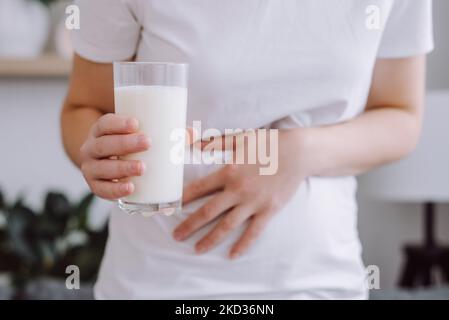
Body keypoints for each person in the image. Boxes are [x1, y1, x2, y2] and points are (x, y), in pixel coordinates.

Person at [61, 0, 434, 299]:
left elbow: (401, 116)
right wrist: (97, 154)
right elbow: (83, 108)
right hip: (157, 281)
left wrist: (297, 152)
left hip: (320, 280)